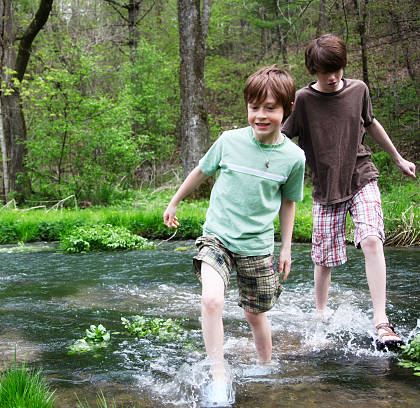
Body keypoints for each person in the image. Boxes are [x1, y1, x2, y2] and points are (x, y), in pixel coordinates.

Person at [163, 66, 305, 403]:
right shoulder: (229, 141)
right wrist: (174, 201)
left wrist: (285, 247)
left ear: (286, 109)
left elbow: (288, 202)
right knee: (212, 300)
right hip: (218, 239)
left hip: (257, 247)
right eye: (254, 107)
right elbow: (200, 170)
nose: (260, 115)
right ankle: (218, 374)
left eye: (269, 108)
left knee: (255, 314)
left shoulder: (293, 157)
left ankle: (267, 365)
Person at [281, 34, 416, 349]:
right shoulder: (302, 100)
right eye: (323, 72)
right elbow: (283, 136)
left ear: (343, 65)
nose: (331, 78)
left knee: (371, 239)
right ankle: (320, 312)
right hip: (326, 187)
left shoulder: (359, 90)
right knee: (324, 259)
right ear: (313, 70)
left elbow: (371, 124)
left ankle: (381, 321)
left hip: (361, 175)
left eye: (336, 70)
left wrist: (398, 158)